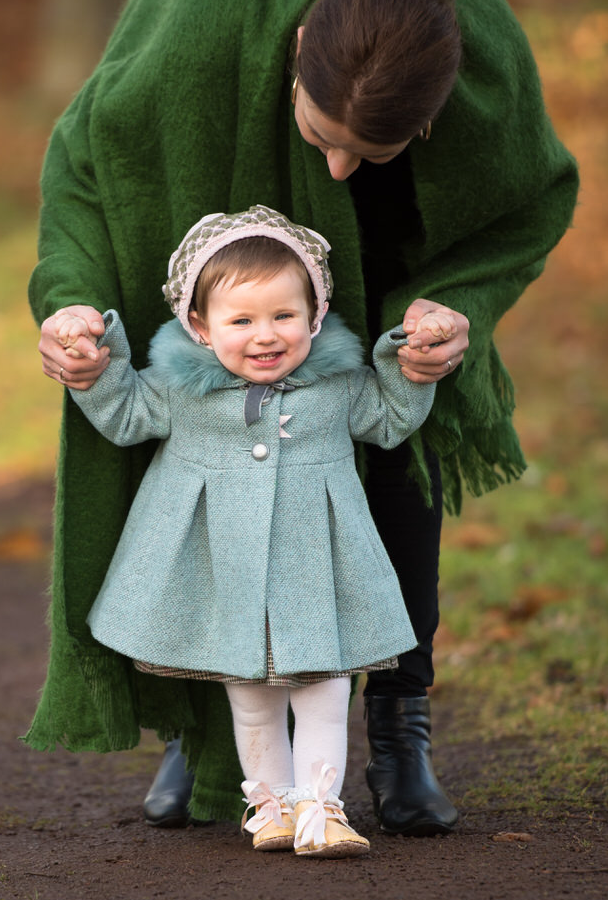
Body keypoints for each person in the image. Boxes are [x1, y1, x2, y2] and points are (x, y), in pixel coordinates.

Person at [29, 0, 579, 836]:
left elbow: (530, 200)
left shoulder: (477, 64)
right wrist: (71, 302)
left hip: (394, 259)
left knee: (396, 467)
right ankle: (200, 736)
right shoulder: (200, 35)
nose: (335, 171)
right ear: (294, 56)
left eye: (372, 148)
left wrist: (450, 309)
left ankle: (399, 729)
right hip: (232, 239)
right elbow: (83, 161)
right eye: (323, 138)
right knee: (205, 488)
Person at [53, 205, 451, 856]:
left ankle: (323, 809)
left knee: (324, 689)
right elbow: (124, 416)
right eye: (241, 321)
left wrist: (409, 370)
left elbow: (387, 419)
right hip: (225, 576)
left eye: (283, 316)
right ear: (201, 328)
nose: (264, 336)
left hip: (318, 573)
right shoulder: (180, 391)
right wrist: (95, 370)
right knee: (251, 699)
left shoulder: (337, 385)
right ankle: (269, 806)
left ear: (315, 316)